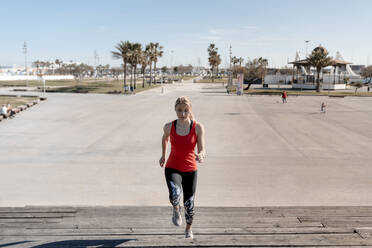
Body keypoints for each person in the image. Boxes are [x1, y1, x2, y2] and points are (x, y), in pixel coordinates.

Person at [159, 96, 206, 239]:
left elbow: (203, 149)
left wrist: (201, 155)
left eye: (186, 110)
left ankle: (188, 229)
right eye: (179, 110)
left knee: (189, 204)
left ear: (190, 110)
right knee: (175, 193)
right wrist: (163, 155)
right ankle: (175, 208)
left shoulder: (198, 127)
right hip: (172, 167)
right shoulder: (169, 126)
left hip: (190, 169)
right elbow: (164, 138)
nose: (183, 114)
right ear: (175, 110)